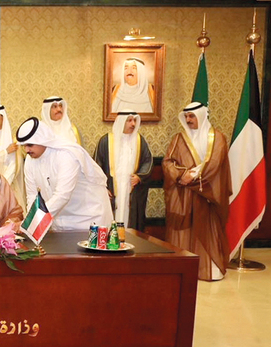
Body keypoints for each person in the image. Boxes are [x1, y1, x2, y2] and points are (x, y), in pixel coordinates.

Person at [163, 102, 231, 281]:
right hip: (184, 194)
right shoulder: (179, 138)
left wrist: (192, 176)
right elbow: (167, 162)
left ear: (201, 116)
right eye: (186, 116)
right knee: (184, 231)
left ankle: (209, 269)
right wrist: (181, 175)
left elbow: (215, 163)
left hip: (207, 193)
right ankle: (182, 268)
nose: (188, 120)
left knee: (207, 230)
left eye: (192, 116)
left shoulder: (218, 138)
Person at [17, 117, 113, 231]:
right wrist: (30, 223)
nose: (26, 150)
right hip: (60, 221)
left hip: (88, 218)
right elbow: (32, 196)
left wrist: (33, 222)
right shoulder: (30, 160)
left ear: (42, 139)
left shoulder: (66, 155)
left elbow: (62, 195)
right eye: (23, 146)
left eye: (30, 145)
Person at [94, 111, 153, 231]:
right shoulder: (106, 141)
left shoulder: (139, 141)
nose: (133, 124)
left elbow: (147, 161)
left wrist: (139, 177)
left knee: (129, 220)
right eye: (129, 120)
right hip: (111, 189)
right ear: (121, 121)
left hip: (130, 189)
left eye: (134, 120)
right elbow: (97, 165)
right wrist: (102, 187)